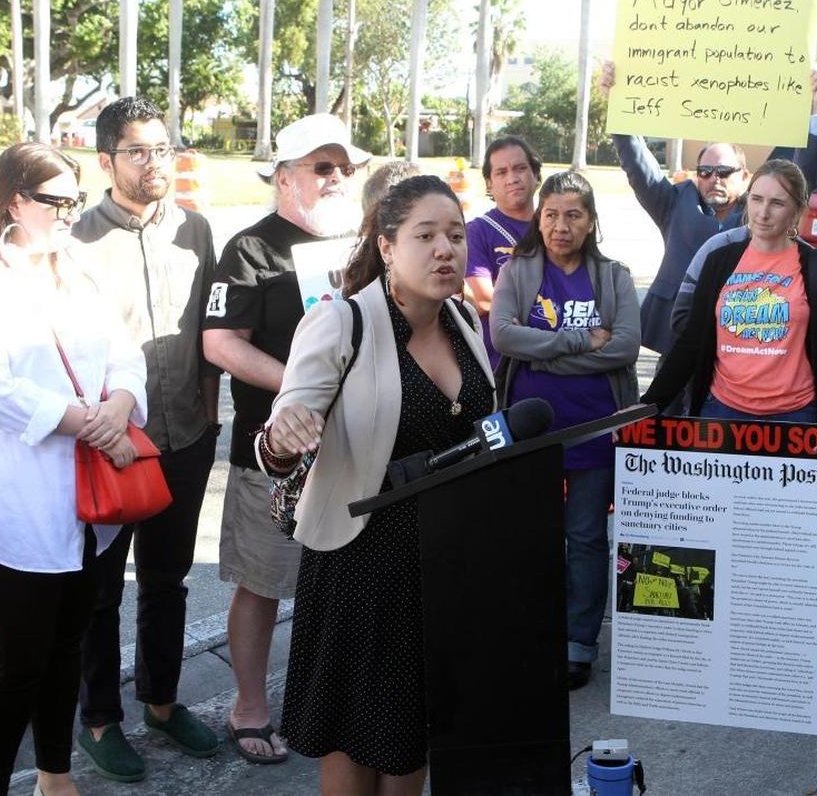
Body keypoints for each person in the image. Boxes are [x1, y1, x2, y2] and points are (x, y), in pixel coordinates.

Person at [256, 175, 494, 794]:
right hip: (361, 562)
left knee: (414, 731)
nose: (446, 250)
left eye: (456, 236)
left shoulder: (466, 319)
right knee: (353, 737)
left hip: (444, 564)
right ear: (387, 246)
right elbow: (277, 439)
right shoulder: (342, 323)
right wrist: (284, 434)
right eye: (426, 236)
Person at [0, 143, 147, 796]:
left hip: (86, 493)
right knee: (17, 658)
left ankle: (56, 774)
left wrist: (122, 403)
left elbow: (123, 349)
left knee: (66, 645)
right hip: (9, 494)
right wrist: (86, 420)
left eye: (75, 202)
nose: (70, 216)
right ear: (13, 200)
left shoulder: (77, 269)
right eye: (57, 202)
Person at [202, 113, 368, 764]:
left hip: (355, 450)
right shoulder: (249, 248)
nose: (335, 179)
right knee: (264, 581)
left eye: (342, 168)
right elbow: (220, 344)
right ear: (284, 175)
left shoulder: (362, 244)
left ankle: (329, 704)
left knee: (345, 583)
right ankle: (250, 707)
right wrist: (300, 390)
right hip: (272, 453)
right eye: (321, 167)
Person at [69, 97, 222, 781]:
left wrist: (210, 416)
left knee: (168, 578)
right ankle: (99, 717)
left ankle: (161, 699)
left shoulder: (196, 230)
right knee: (98, 590)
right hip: (109, 445)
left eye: (164, 149)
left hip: (185, 436)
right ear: (106, 161)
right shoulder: (75, 243)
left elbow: (211, 332)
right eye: (139, 151)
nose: (155, 162)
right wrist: (101, 427)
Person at [490, 170, 641, 691]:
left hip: (595, 432)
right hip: (530, 433)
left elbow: (623, 347)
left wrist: (548, 353)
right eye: (551, 214)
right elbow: (505, 335)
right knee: (531, 537)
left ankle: (579, 643)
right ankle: (530, 633)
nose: (560, 225)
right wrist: (579, 343)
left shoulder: (613, 276)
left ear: (591, 221)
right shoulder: (519, 270)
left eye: (573, 214)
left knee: (586, 539)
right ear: (540, 217)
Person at [599, 62, 817, 358]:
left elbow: (802, 178)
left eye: (723, 171)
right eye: (705, 171)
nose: (713, 179)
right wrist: (617, 103)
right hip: (678, 340)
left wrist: (815, 111)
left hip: (739, 340)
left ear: (745, 176)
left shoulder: (760, 209)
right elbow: (636, 162)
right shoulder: (673, 203)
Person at [640, 159, 817, 454]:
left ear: (798, 211)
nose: (763, 213)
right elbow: (691, 341)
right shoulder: (720, 260)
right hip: (721, 412)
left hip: (795, 417)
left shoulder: (816, 265)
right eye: (757, 199)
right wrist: (648, 404)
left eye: (777, 203)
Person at [464, 135, 543, 367]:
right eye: (501, 172)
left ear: (536, 175)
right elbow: (485, 300)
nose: (512, 178)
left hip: (556, 364)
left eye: (520, 168)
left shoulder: (555, 227)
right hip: (504, 366)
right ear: (489, 184)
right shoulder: (477, 231)